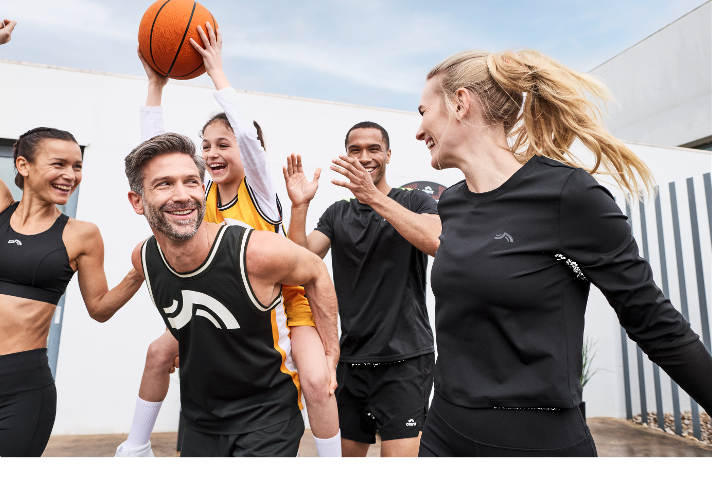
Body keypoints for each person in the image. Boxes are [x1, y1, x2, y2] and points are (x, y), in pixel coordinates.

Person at [415, 49, 713, 458]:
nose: (418, 130)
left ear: (461, 103)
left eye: (423, 111)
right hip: (444, 433)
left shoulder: (569, 195)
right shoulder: (452, 203)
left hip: (537, 442)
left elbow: (654, 322)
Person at [115, 23, 341, 458]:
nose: (213, 153)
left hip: (282, 302)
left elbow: (250, 141)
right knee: (158, 353)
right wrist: (154, 87)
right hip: (220, 300)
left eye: (224, 144)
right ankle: (137, 446)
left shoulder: (257, 190)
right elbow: (152, 161)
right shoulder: (197, 199)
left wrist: (217, 72)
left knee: (316, 379)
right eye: (206, 146)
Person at [0, 19, 145, 458]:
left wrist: (136, 275)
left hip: (17, 393)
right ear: (23, 166)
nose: (70, 175)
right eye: (59, 164)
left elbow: (99, 309)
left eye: (77, 165)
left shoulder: (81, 234)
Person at [284, 122, 441, 458]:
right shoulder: (337, 213)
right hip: (351, 360)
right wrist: (299, 206)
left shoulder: (414, 202)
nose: (364, 156)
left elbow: (435, 241)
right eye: (355, 149)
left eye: (373, 148)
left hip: (405, 360)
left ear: (388, 154)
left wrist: (373, 196)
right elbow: (299, 264)